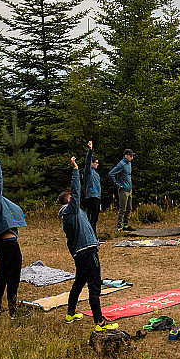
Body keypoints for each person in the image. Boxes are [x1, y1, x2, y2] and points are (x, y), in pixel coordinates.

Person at [59, 142, 119, 332]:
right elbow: (76, 191)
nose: (75, 200)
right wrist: (76, 171)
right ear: (68, 201)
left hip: (81, 251)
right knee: (95, 284)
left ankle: (70, 313)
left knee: (79, 281)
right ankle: (99, 322)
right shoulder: (71, 212)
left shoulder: (73, 215)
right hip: (86, 251)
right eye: (72, 199)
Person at [0, 147, 27, 317]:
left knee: (2, 273)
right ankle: (13, 310)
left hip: (1, 244)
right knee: (13, 276)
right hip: (9, 244)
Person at [109, 149, 135, 232]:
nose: (132, 158)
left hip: (129, 189)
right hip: (123, 190)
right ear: (126, 155)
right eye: (131, 156)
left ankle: (126, 225)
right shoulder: (121, 164)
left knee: (128, 208)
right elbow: (111, 173)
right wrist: (117, 185)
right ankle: (119, 227)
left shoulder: (129, 163)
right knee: (122, 209)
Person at [83, 152, 102, 236]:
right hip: (90, 197)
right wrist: (90, 150)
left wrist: (99, 200)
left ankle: (93, 236)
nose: (97, 164)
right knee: (90, 218)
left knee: (95, 219)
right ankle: (89, 236)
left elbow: (98, 187)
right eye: (96, 162)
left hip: (97, 197)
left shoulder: (96, 174)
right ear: (91, 163)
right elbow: (87, 161)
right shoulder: (88, 171)